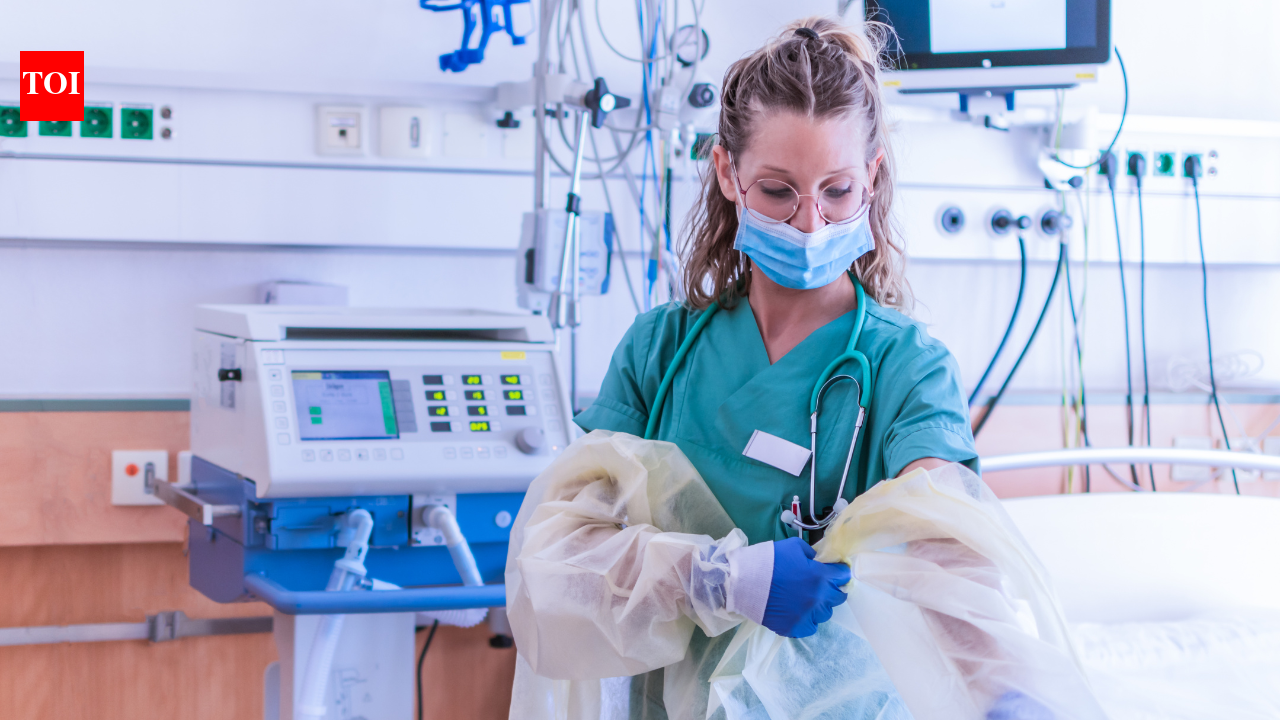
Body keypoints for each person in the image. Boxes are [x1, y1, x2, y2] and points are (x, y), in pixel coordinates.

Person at [511, 16, 978, 719]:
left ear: (873, 177)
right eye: (779, 191)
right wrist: (719, 580)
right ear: (729, 172)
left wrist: (1005, 690)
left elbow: (951, 553)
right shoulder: (662, 354)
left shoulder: (904, 368)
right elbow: (557, 563)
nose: (811, 224)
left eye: (838, 191)